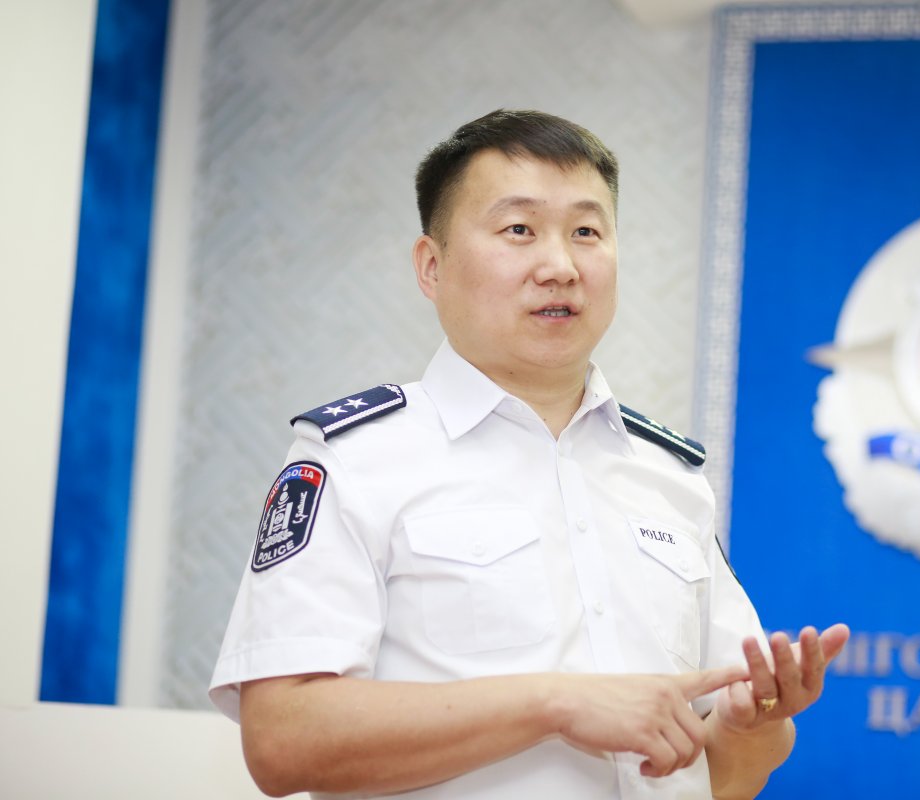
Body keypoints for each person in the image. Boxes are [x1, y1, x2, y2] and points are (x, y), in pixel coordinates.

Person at [209, 109, 849, 800]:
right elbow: (282, 741)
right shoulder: (353, 459)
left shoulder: (669, 476)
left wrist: (752, 726)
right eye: (519, 230)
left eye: (586, 232)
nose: (560, 267)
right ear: (432, 266)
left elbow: (722, 776)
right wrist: (554, 703)